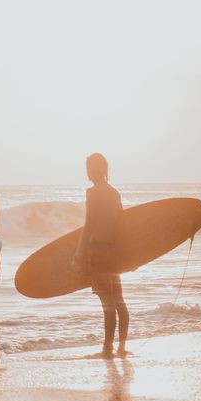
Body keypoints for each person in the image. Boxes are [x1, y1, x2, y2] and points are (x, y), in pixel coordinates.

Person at [74, 152, 130, 359]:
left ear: (94, 169)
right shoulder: (114, 193)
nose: (87, 172)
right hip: (114, 252)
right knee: (119, 302)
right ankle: (122, 347)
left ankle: (107, 349)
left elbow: (89, 225)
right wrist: (128, 255)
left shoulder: (93, 193)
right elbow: (121, 223)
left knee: (107, 304)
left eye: (88, 168)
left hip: (97, 251)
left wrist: (79, 253)